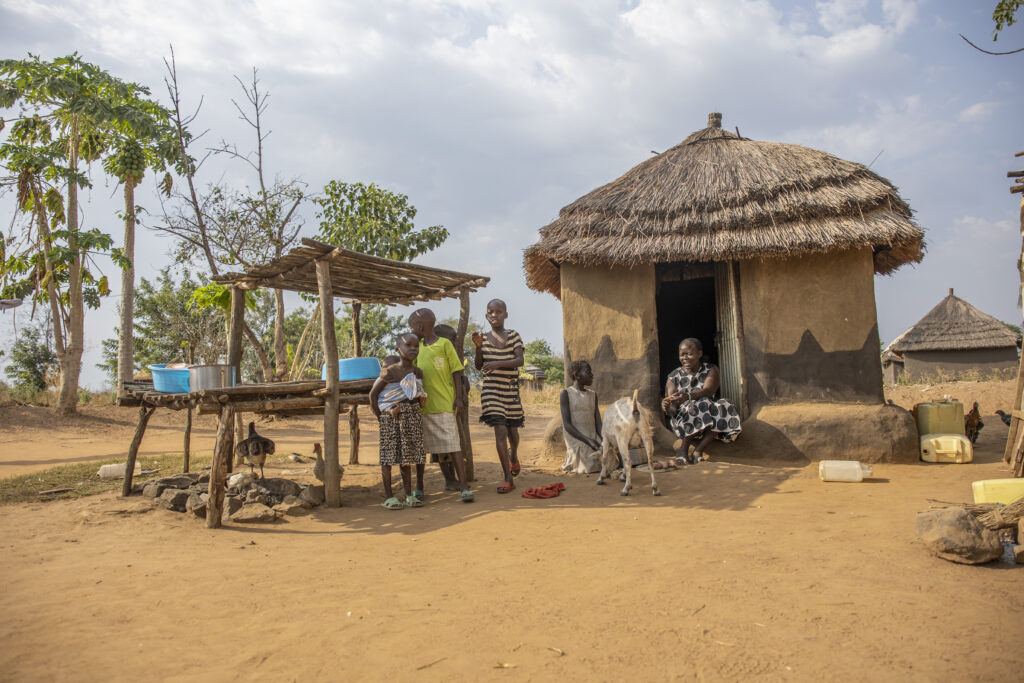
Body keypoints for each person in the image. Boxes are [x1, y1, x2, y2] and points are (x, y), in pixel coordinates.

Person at [408, 308, 474, 503]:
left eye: (412, 326)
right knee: (421, 450)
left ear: (419, 327)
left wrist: (459, 398)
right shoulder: (417, 347)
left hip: (445, 404)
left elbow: (457, 371)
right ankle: (419, 487)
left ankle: (463, 486)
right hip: (423, 406)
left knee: (453, 446)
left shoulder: (445, 344)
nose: (411, 329)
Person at [369, 334, 428, 510]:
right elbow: (373, 395)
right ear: (398, 349)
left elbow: (415, 392)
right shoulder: (389, 372)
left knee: (407, 456)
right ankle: (389, 497)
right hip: (392, 416)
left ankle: (409, 495)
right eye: (408, 345)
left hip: (412, 416)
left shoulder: (417, 372)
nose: (412, 349)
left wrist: (421, 399)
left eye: (416, 346)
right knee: (388, 457)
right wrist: (382, 417)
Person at [661, 337, 741, 464]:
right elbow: (673, 411)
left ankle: (699, 449)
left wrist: (687, 396)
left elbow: (708, 391)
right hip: (684, 422)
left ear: (700, 354)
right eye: (682, 355)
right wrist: (667, 406)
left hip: (709, 420)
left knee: (723, 404)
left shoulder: (710, 370)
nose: (685, 358)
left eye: (689, 354)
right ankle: (684, 448)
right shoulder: (673, 377)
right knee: (700, 404)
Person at [472, 299, 524, 493]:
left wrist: (497, 364)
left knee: (513, 432)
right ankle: (507, 477)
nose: (494, 315)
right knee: (500, 431)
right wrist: (478, 348)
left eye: (499, 311)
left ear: (506, 315)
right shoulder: (482, 339)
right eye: (491, 312)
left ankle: (514, 456)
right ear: (486, 315)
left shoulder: (513, 336)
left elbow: (520, 360)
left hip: (510, 390)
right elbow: (478, 366)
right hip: (491, 390)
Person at [434, 324, 469, 491]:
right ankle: (449, 479)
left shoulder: (450, 355)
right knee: (443, 449)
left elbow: (456, 375)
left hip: (450, 405)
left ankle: (455, 479)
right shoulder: (437, 356)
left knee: (453, 445)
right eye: (452, 339)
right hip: (438, 407)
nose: (454, 344)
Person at [559, 360, 603, 474]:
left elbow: (598, 422)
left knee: (607, 453)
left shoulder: (593, 395)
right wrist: (588, 441)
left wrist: (604, 440)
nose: (592, 374)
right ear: (577, 375)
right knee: (590, 461)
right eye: (588, 371)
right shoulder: (566, 394)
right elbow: (567, 425)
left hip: (592, 437)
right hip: (578, 439)